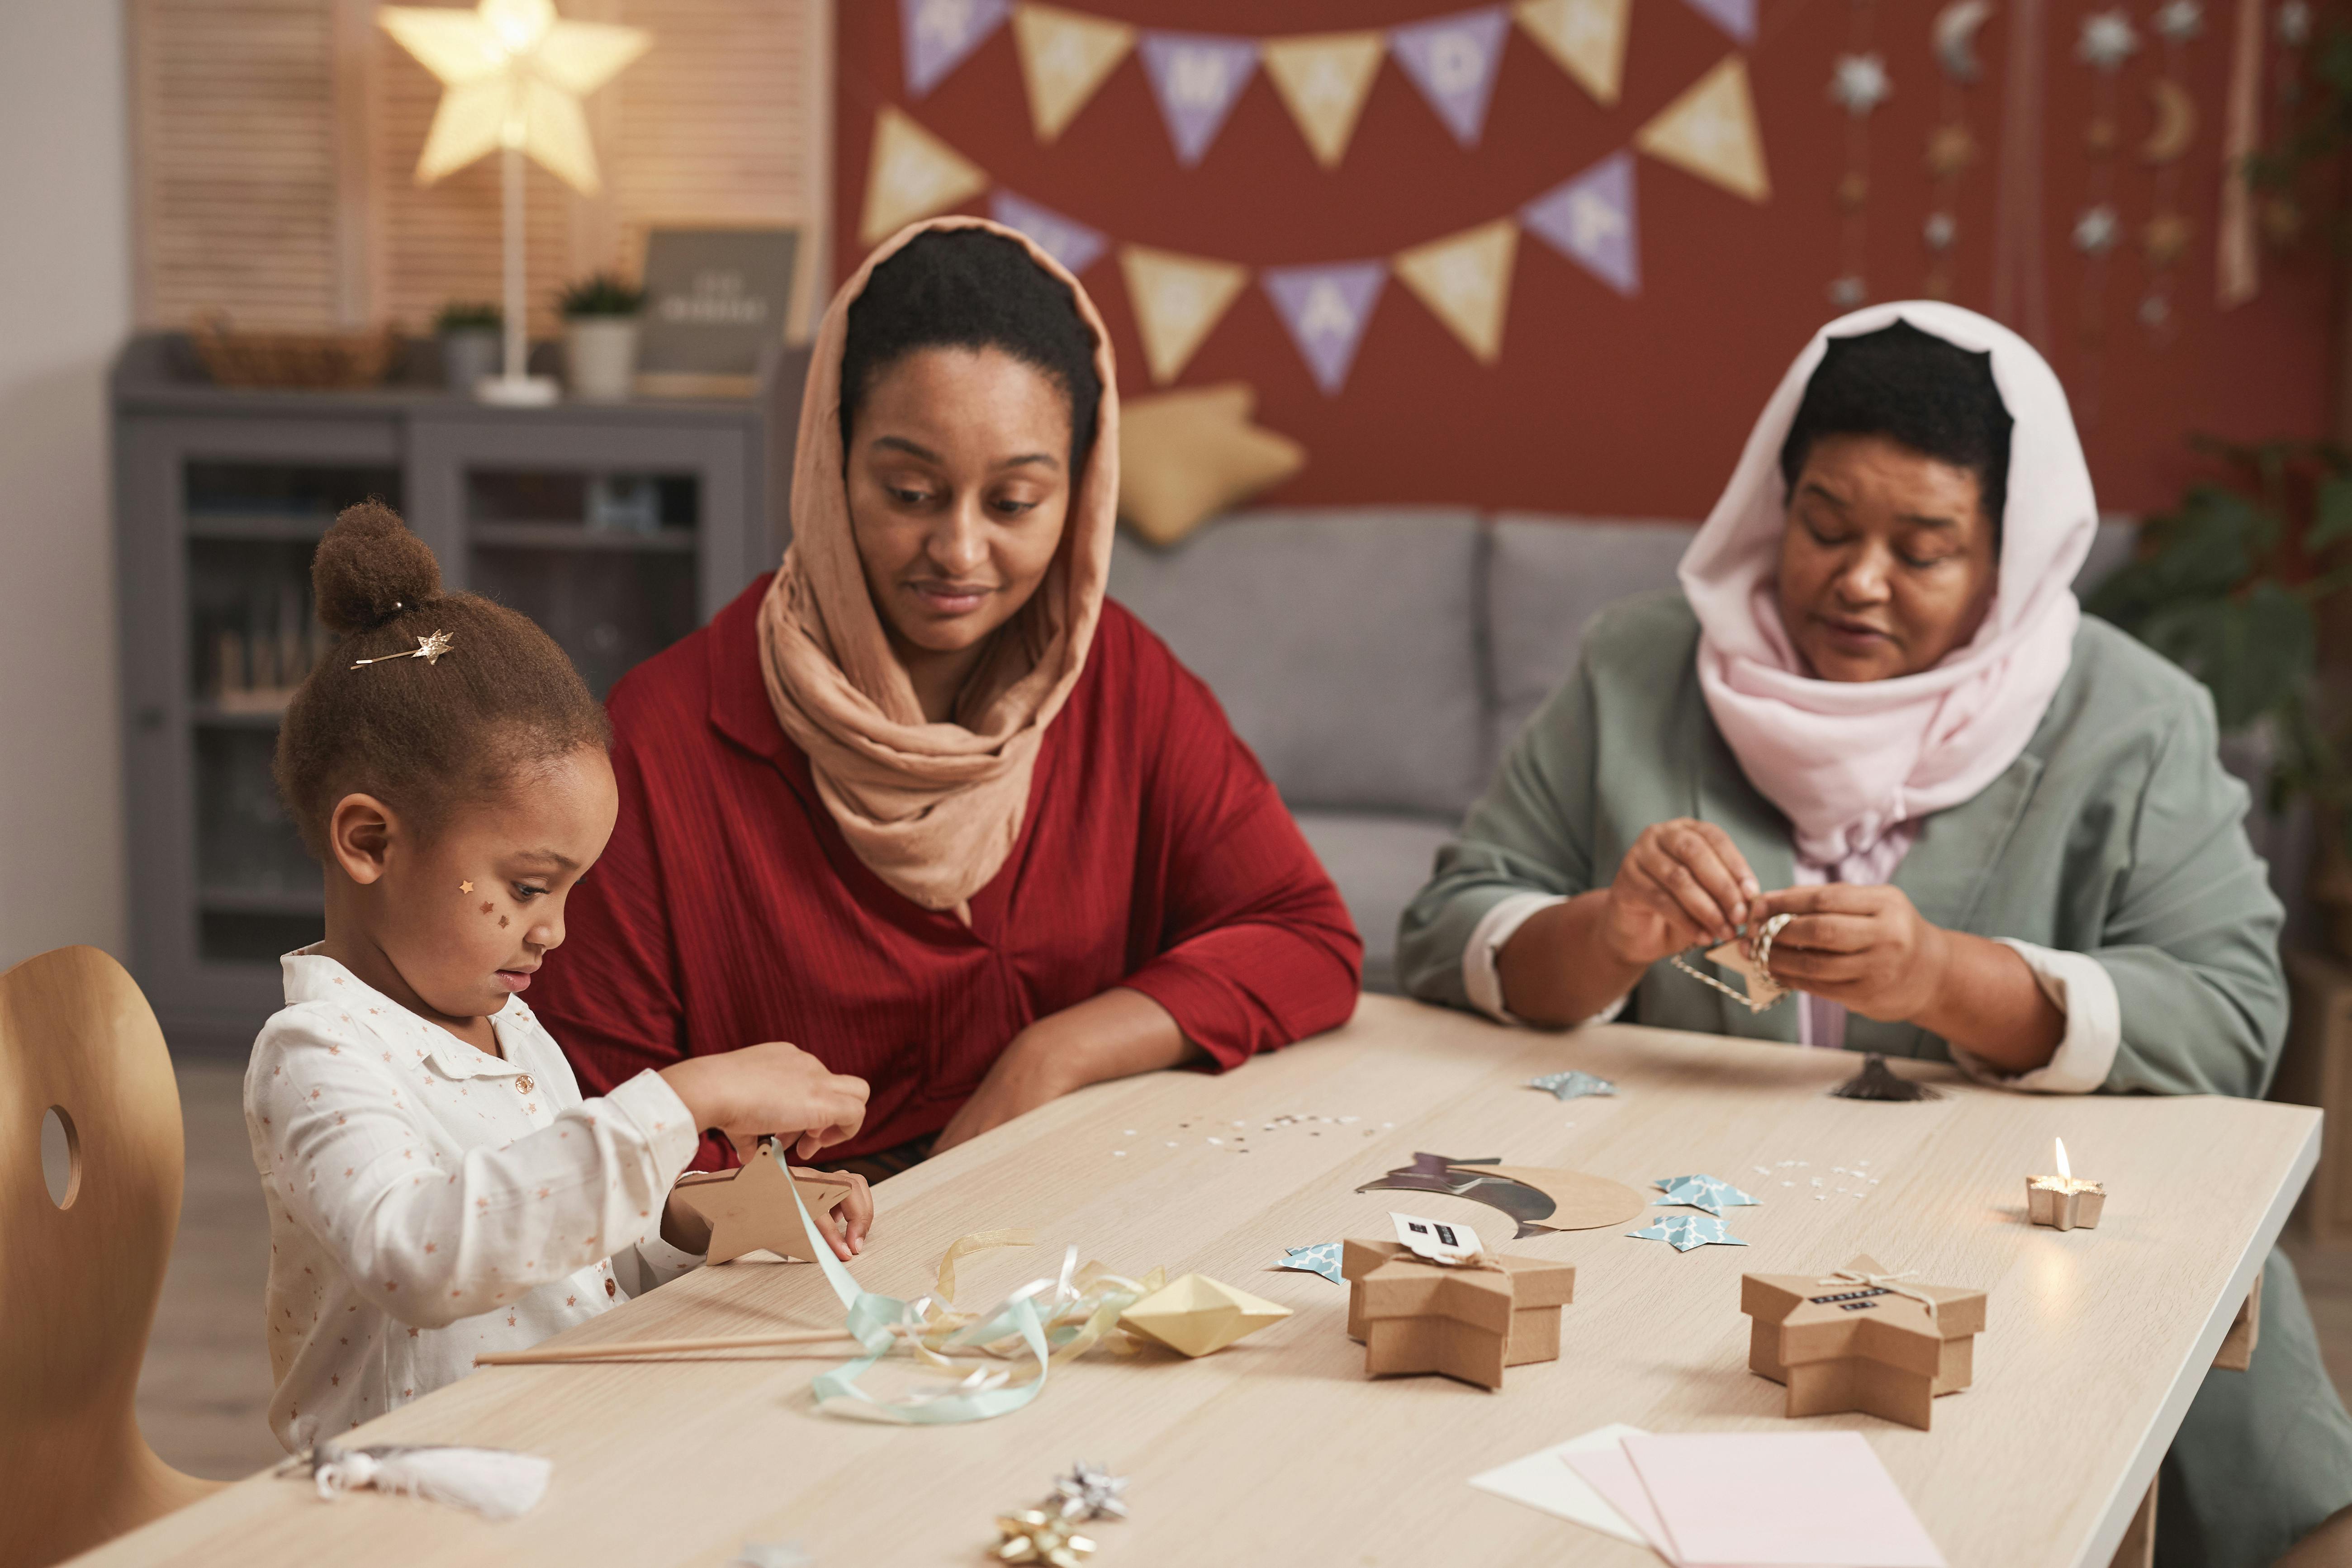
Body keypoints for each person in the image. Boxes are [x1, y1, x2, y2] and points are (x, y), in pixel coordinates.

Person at [1397, 303, 2352, 1567]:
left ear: (2007, 558)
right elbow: (1444, 931)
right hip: (1681, 1239)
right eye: (1826, 527)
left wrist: (1947, 976)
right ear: (1771, 507)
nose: (1856, 580)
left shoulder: (2133, 713)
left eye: (1926, 547)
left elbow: (2234, 1017)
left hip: (2009, 1256)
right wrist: (1607, 929)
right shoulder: (1636, 667)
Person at [530, 218, 1360, 1178]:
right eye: (911, 491)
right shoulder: (661, 742)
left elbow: (1306, 938)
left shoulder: (1112, 677)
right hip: (784, 1267)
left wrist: (1052, 1054)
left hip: (1062, 1221)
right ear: (830, 463)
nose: (960, 553)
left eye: (1012, 504)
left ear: (1080, 494)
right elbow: (596, 1123)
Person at [247, 502, 873, 1450]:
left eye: (570, 890)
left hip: (560, 1441)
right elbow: (417, 1254)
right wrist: (685, 1094)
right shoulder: (317, 1054)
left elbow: (575, 1251)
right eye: (529, 887)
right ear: (370, 842)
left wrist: (739, 1217)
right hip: (407, 1497)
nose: (556, 932)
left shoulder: (506, 1022)